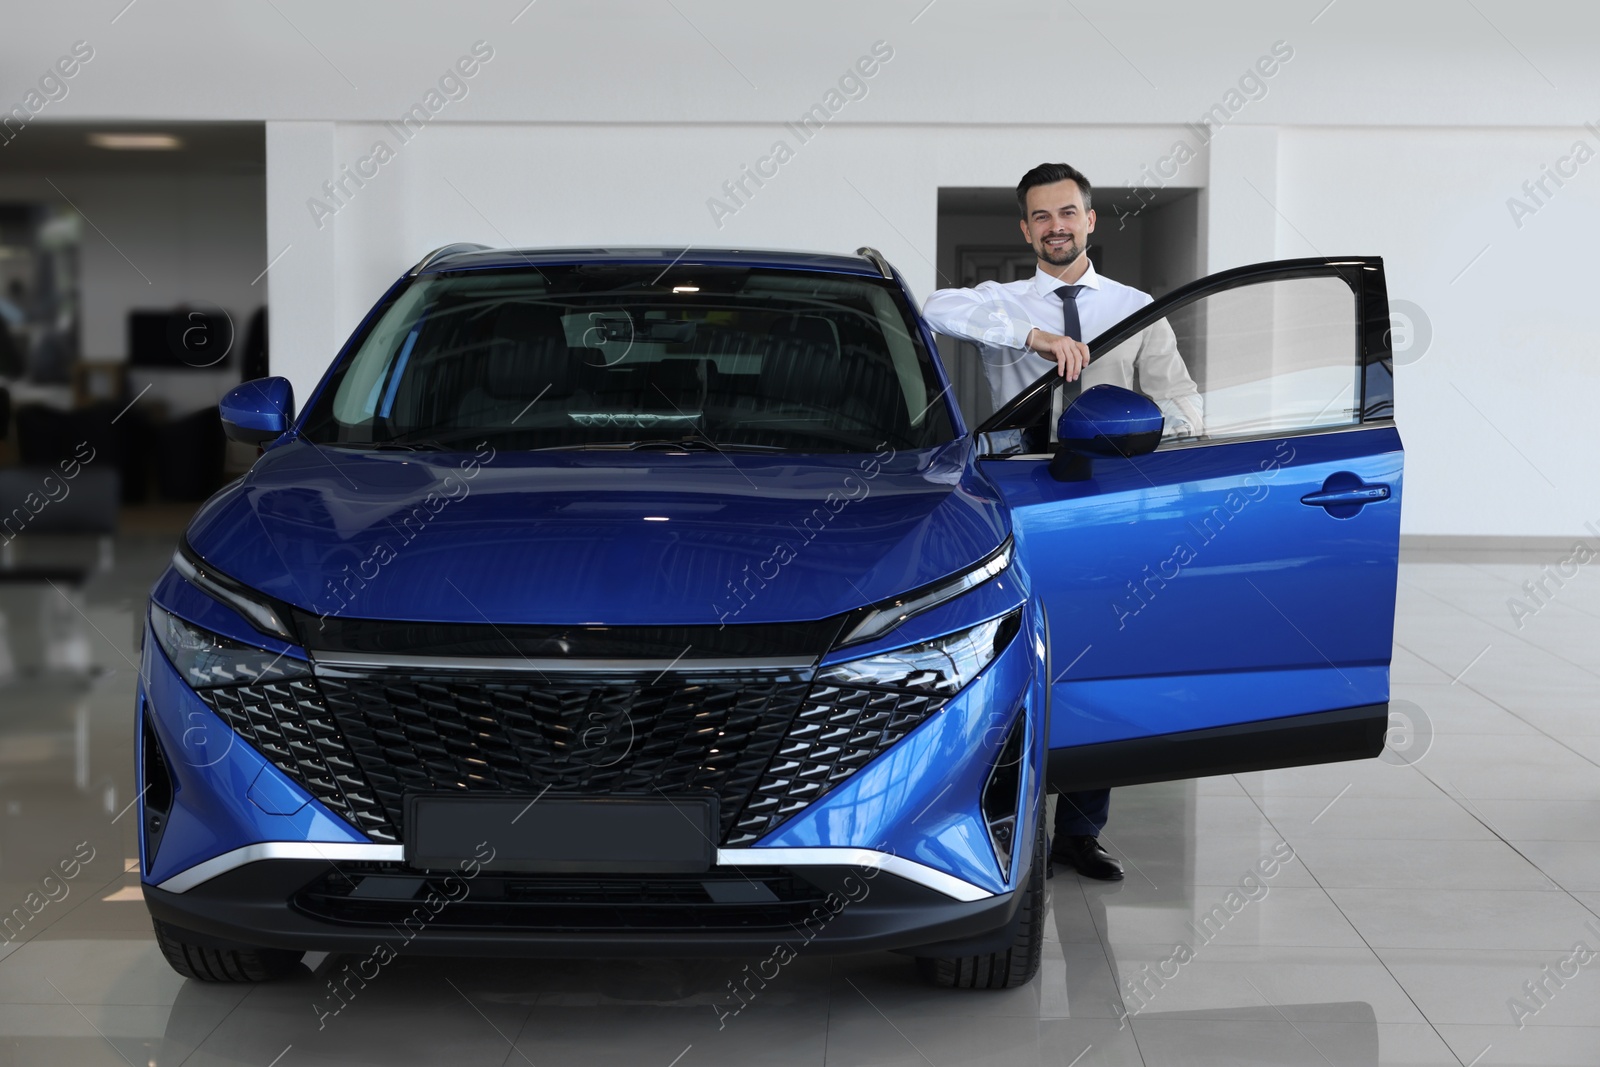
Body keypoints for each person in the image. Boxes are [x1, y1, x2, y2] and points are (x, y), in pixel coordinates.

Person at [922, 162, 1205, 881]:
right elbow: (933, 308)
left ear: (1090, 220)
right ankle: (1009, 822)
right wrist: (1036, 338)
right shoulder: (1001, 303)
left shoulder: (1135, 305)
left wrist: (1136, 438)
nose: (1056, 226)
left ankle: (1080, 832)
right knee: (1018, 655)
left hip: (1110, 504)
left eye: (1068, 213)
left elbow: (1184, 410)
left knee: (1093, 659)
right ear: (1026, 229)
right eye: (1042, 216)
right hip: (1021, 497)